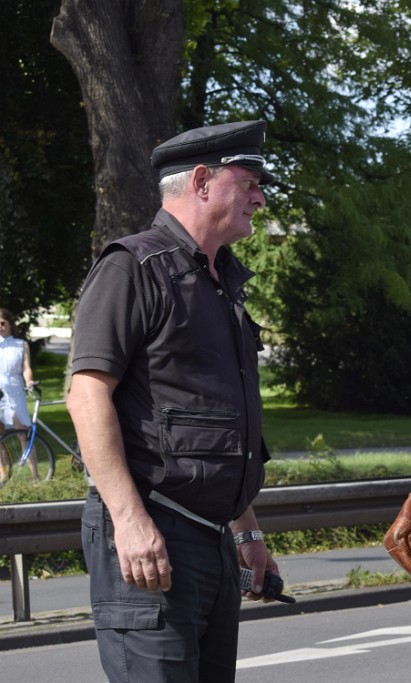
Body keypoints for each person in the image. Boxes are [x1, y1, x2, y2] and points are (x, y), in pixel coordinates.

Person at [67, 120, 281, 683]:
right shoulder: (131, 268)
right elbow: (86, 395)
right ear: (203, 181)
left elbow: (214, 428)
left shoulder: (222, 282)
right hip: (151, 534)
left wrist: (247, 531)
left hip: (210, 537)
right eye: (250, 180)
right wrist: (130, 520)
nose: (261, 195)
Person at [0, 308, 36, 480]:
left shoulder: (21, 344)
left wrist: (29, 382)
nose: (0, 327)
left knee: (23, 432)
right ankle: (3, 474)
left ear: (9, 324)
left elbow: (26, 368)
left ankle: (35, 476)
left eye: (2, 323)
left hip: (15, 389)